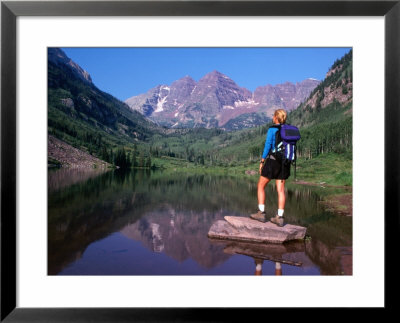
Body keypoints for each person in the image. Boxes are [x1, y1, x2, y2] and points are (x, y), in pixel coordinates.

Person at [250, 109, 290, 227]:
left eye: (273, 116)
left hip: (273, 161)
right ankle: (280, 217)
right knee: (281, 190)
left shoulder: (272, 129)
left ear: (276, 118)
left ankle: (261, 213)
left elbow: (268, 145)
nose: (272, 117)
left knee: (261, 186)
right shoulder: (288, 130)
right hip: (285, 163)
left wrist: (262, 160)